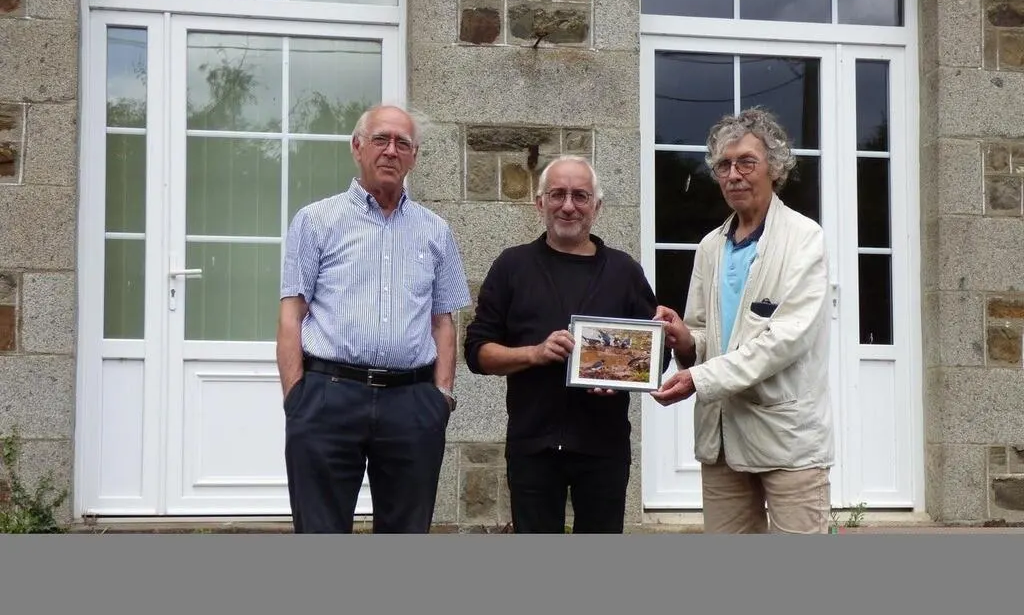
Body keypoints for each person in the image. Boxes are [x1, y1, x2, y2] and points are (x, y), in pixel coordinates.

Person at [277, 104, 471, 533]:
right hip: (328, 397)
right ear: (357, 147)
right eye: (380, 139)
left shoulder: (436, 231)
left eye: (403, 143)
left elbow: (443, 321)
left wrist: (441, 397)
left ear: (414, 156)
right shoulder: (316, 221)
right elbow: (292, 313)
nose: (391, 150)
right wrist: (296, 399)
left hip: (412, 402)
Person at [651, 107, 834, 534]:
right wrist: (684, 340)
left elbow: (786, 339)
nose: (734, 175)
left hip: (788, 439)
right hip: (722, 437)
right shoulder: (710, 247)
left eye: (746, 162)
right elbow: (702, 333)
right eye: (724, 165)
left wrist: (700, 378)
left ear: (776, 167)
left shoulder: (805, 238)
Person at [464, 156, 662, 534]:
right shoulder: (512, 266)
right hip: (532, 446)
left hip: (604, 447)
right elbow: (477, 353)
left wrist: (621, 376)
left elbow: (655, 353)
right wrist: (534, 353)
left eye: (580, 196)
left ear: (597, 207)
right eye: (557, 194)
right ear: (539, 203)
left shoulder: (624, 271)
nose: (568, 206)